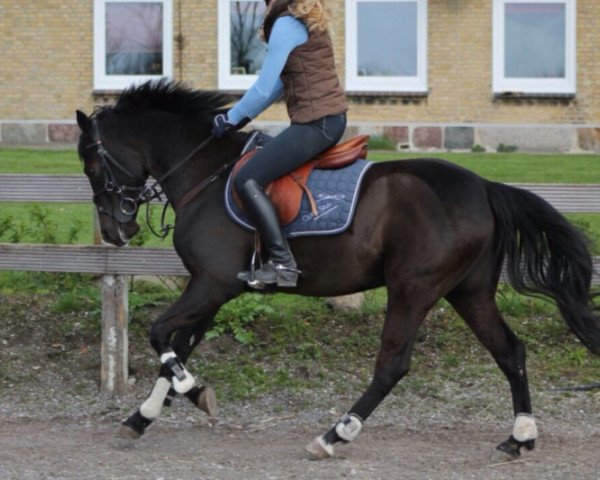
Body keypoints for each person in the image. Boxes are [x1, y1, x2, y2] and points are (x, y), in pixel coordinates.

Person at [212, 0, 348, 289]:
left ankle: (282, 262)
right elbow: (276, 87)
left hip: (317, 123)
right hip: (326, 120)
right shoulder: (299, 17)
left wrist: (229, 119)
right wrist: (237, 118)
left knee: (248, 177)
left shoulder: (286, 23)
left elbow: (263, 87)